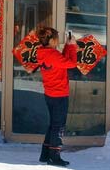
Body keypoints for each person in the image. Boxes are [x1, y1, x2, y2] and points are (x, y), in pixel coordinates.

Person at [35, 27, 77, 167]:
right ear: (52, 40)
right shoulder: (52, 54)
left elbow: (62, 62)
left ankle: (45, 154)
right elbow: (71, 63)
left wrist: (67, 46)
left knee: (53, 125)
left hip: (50, 93)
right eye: (57, 40)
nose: (58, 42)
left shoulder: (44, 53)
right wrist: (72, 47)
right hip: (59, 94)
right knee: (58, 126)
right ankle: (54, 156)